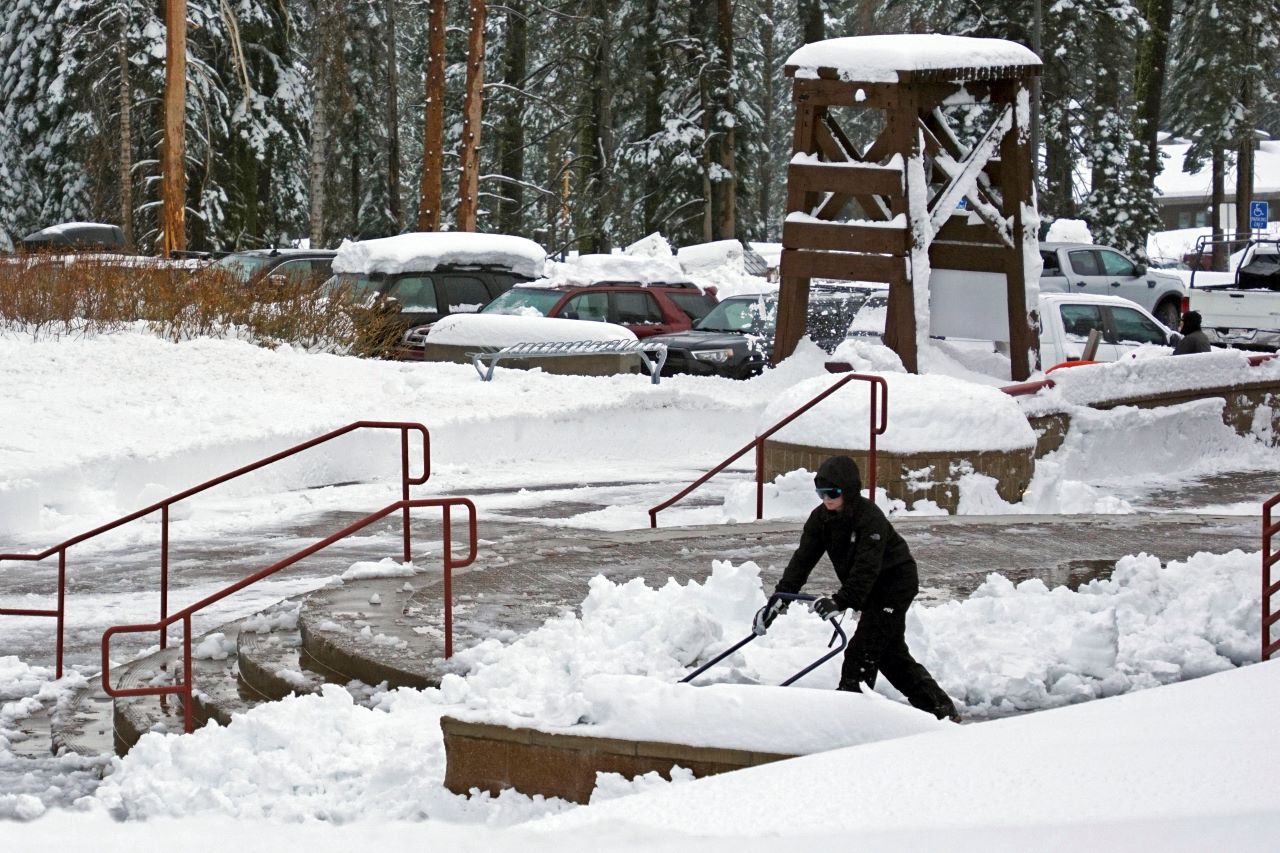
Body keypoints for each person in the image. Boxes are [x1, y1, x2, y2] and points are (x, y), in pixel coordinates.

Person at [753, 455, 960, 721]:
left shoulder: (869, 518)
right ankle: (940, 711)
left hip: (894, 585)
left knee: (862, 653)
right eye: (821, 493)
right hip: (869, 588)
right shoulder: (821, 519)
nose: (826, 499)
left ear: (848, 490)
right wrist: (778, 601)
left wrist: (841, 601)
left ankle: (849, 719)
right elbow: (802, 561)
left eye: (833, 492)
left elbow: (867, 568)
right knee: (889, 655)